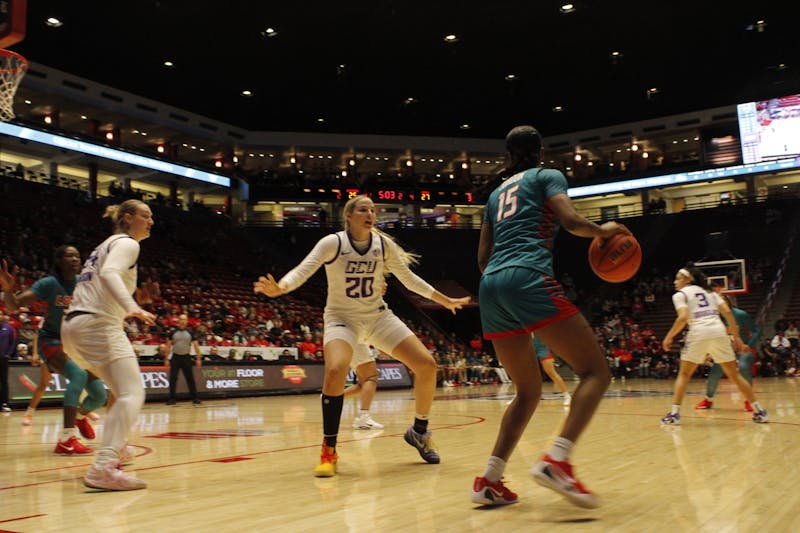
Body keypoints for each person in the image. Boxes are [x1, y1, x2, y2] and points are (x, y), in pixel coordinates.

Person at [254, 194, 469, 477]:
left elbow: (409, 279)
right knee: (335, 370)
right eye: (363, 210)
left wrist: (444, 299)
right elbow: (303, 270)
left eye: (372, 210)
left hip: (378, 317)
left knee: (427, 366)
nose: (370, 214)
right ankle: (328, 450)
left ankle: (419, 432)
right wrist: (281, 287)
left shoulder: (383, 245)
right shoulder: (333, 243)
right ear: (349, 216)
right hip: (342, 320)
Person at [471, 125, 628, 509]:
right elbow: (570, 220)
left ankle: (489, 480)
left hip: (490, 286)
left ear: (508, 156)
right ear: (539, 151)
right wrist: (602, 231)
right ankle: (557, 459)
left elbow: (481, 258)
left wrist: (503, 280)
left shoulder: (494, 195)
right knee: (595, 372)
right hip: (527, 276)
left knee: (527, 391)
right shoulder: (547, 175)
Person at [62, 199, 156, 491]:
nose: (151, 221)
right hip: (96, 325)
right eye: (145, 215)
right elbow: (109, 274)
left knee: (119, 389)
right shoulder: (128, 244)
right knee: (132, 392)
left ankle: (120, 446)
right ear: (127, 218)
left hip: (73, 327)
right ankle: (103, 467)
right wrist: (131, 306)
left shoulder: (104, 245)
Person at [1, 247, 108, 451]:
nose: (75, 258)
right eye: (69, 255)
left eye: (77, 255)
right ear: (58, 260)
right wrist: (7, 289)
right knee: (77, 375)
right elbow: (13, 306)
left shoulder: (83, 282)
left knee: (98, 395)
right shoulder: (49, 283)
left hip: (73, 342)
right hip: (49, 340)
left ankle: (78, 417)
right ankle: (67, 440)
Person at [660, 264, 768, 426]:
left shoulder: (680, 295)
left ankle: (674, 414)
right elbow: (728, 312)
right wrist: (736, 337)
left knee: (684, 375)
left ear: (688, 279)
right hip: (718, 331)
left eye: (678, 278)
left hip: (698, 331)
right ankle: (759, 410)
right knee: (734, 375)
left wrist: (668, 337)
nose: (675, 282)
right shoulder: (710, 292)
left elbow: (683, 318)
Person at [695, 294, 761, 412]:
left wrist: (749, 345)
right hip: (724, 350)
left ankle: (749, 401)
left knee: (743, 367)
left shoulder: (740, 314)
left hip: (743, 350)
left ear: (728, 302)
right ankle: (708, 399)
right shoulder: (715, 318)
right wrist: (708, 353)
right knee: (714, 373)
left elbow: (756, 330)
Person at [165, 313, 202, 406]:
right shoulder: (173, 332)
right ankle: (172, 399)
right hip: (175, 357)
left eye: (184, 319)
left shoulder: (190, 332)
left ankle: (195, 398)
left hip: (186, 357)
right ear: (178, 321)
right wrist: (166, 358)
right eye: (181, 319)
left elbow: (196, 346)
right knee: (173, 379)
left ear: (187, 321)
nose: (183, 321)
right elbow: (168, 346)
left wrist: (198, 358)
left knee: (190, 378)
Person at [345, 344, 384, 429]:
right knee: (371, 377)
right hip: (355, 339)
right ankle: (363, 418)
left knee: (363, 383)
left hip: (343, 339)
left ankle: (330, 398)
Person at [534, 336, 571, 406]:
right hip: (528, 349)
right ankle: (518, 396)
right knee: (523, 374)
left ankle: (567, 396)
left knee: (551, 373)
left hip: (542, 349)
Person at [0, 311, 14, 412]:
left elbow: (13, 342)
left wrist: (8, 353)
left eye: (0, 314)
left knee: (4, 381)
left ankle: (4, 403)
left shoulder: (8, 328)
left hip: (3, 359)